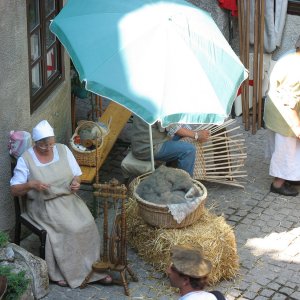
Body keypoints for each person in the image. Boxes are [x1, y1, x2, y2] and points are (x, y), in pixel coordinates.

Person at [10, 120, 111, 288]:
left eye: (51, 144)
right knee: (70, 228)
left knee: (88, 223)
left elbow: (76, 175)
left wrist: (76, 183)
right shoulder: (26, 159)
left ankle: (94, 268)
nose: (49, 148)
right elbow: (14, 189)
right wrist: (31, 184)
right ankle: (69, 272)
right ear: (36, 143)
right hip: (43, 205)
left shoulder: (63, 150)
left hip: (68, 199)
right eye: (44, 146)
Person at [264, 36, 300, 196]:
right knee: (286, 150)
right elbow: (289, 103)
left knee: (288, 149)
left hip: (274, 110)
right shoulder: (297, 69)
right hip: (284, 115)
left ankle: (292, 177)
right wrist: (297, 127)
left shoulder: (290, 55)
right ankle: (278, 184)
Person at [131, 116, 210, 177]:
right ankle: (185, 186)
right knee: (189, 150)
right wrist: (196, 135)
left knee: (182, 134)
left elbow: (171, 127)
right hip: (147, 148)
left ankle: (171, 169)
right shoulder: (156, 102)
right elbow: (174, 128)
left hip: (148, 142)